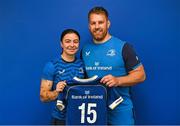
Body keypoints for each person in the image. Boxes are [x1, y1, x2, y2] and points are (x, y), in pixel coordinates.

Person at [82, 6, 146, 125]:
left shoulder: (123, 47)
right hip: (94, 113)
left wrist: (118, 80)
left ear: (108, 23)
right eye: (93, 23)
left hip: (120, 113)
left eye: (100, 22)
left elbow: (141, 75)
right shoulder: (85, 49)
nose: (97, 26)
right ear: (89, 26)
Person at [40, 29, 85, 125]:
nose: (72, 45)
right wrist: (57, 92)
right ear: (61, 44)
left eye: (75, 41)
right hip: (61, 120)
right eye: (68, 41)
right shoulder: (52, 65)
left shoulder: (83, 64)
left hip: (80, 118)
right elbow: (43, 97)